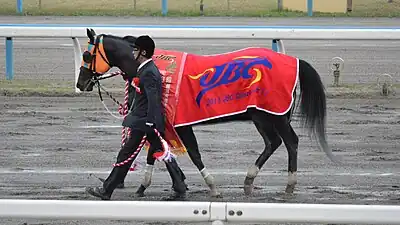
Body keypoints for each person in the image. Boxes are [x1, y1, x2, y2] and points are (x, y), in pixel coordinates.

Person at [85, 35, 187, 200]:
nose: (132, 52)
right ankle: (179, 184)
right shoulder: (144, 70)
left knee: (126, 154)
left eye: (136, 50)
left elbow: (154, 100)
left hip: (145, 122)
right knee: (160, 151)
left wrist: (150, 122)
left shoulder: (148, 72)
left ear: (143, 52)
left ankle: (107, 190)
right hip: (145, 120)